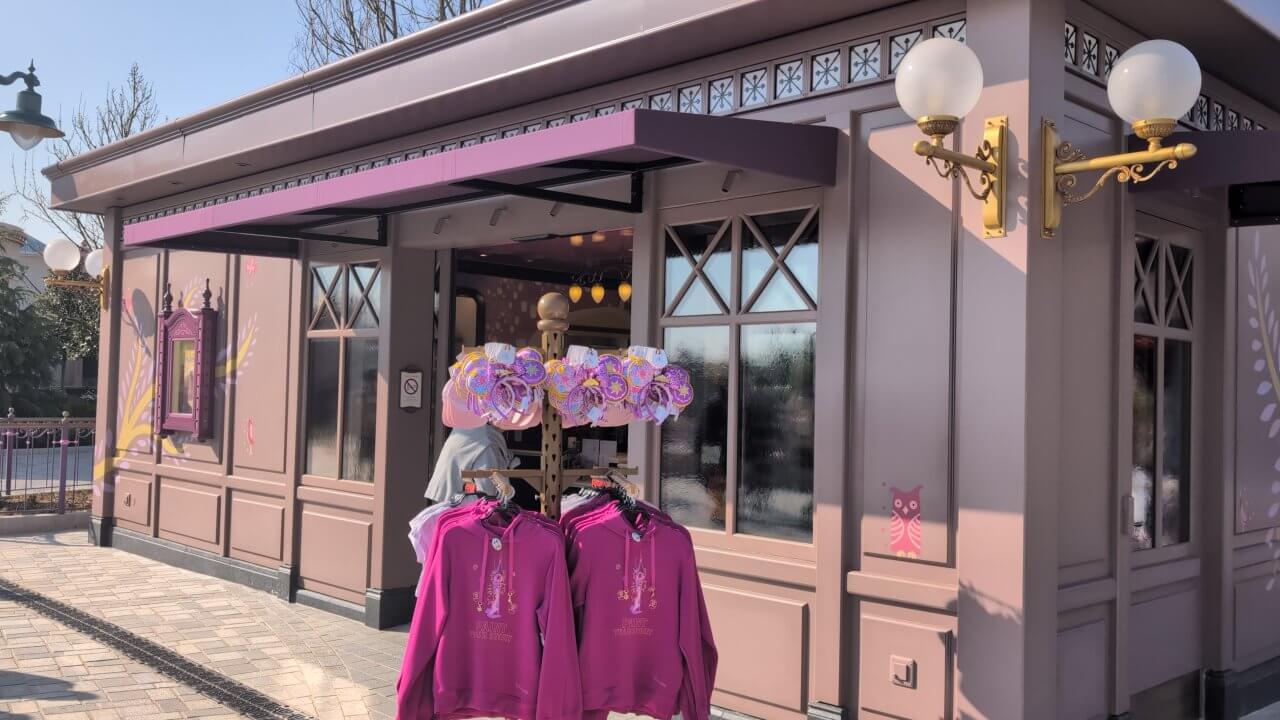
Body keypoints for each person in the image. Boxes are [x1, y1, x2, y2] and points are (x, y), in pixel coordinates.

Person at [424, 425, 513, 504]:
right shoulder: (488, 441)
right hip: (465, 505)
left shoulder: (467, 428)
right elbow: (487, 494)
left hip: (449, 496)